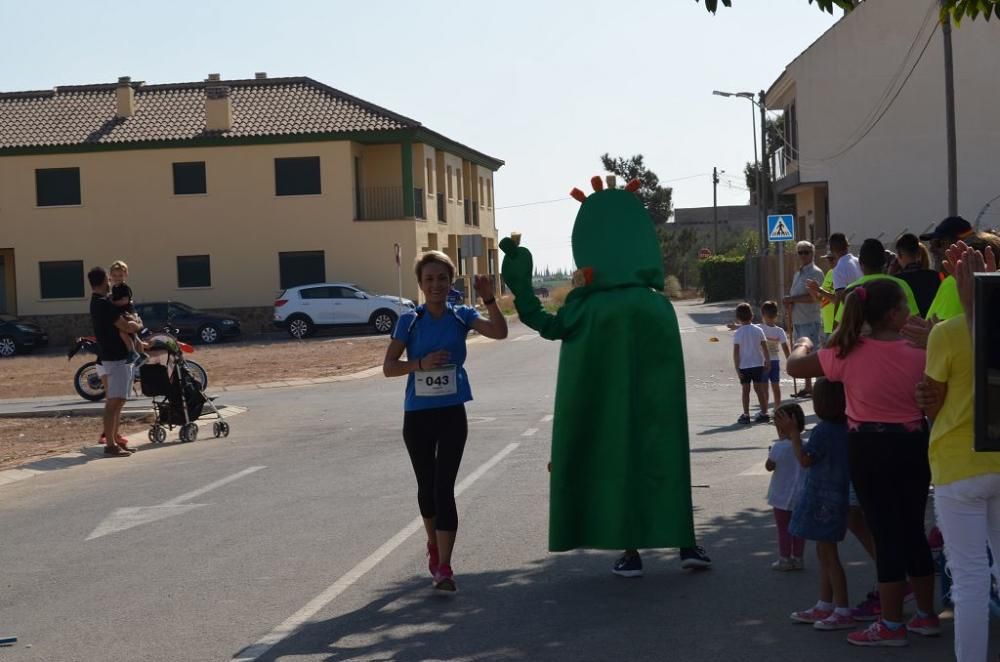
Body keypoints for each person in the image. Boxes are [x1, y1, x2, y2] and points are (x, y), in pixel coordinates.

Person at [499, 178, 711, 580]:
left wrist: (521, 287)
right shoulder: (657, 307)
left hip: (606, 413)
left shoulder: (586, 308)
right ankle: (684, 542)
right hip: (656, 410)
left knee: (616, 461)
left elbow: (545, 324)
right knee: (663, 457)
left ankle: (629, 550)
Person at [788, 278, 938, 647]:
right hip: (914, 442)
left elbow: (795, 368)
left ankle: (890, 625)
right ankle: (926, 615)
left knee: (886, 533)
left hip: (870, 447)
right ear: (892, 315)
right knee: (913, 530)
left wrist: (803, 342)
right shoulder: (922, 351)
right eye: (906, 306)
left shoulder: (846, 353)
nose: (911, 312)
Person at [382, 250, 508, 591]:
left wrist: (489, 299)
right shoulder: (410, 320)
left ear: (450, 281)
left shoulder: (461, 315)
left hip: (453, 412)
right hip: (418, 415)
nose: (435, 285)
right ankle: (433, 546)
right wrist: (419, 364)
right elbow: (388, 367)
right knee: (427, 488)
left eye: (441, 278)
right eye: (429, 279)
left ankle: (445, 567)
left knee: (444, 488)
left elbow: (499, 332)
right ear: (420, 285)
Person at [918, 241, 1000, 662]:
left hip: (958, 465)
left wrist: (970, 314)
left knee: (969, 583)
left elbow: (933, 402)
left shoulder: (945, 332)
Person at [788, 379, 854, 630]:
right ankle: (825, 604)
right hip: (837, 494)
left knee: (829, 554)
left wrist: (794, 436)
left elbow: (805, 460)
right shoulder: (846, 427)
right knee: (824, 551)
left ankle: (842, 608)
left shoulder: (824, 430)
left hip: (822, 497)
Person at [88, 266, 142, 457]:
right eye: (109, 280)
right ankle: (110, 445)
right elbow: (127, 327)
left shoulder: (98, 302)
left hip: (114, 358)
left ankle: (115, 440)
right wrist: (139, 324)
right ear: (104, 281)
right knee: (114, 402)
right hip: (115, 358)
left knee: (118, 402)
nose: (111, 282)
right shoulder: (104, 304)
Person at [833, 238, 920, 324]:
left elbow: (839, 325)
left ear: (860, 262)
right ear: (885, 262)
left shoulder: (851, 290)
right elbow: (916, 320)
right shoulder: (901, 285)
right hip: (896, 337)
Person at [765, 403, 806, 571]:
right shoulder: (806, 445)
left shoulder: (778, 447)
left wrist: (770, 454)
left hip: (781, 496)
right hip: (802, 495)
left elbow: (769, 466)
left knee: (783, 529)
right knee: (798, 530)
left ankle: (784, 558)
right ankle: (798, 558)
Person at [783, 241, 824, 397]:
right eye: (800, 252)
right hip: (799, 319)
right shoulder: (798, 273)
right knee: (804, 355)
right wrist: (790, 302)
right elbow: (796, 296)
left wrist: (793, 299)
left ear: (812, 253)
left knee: (814, 354)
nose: (803, 255)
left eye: (806, 252)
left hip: (810, 319)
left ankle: (820, 387)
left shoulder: (816, 272)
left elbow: (815, 298)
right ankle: (808, 387)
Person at [732, 302, 770, 424]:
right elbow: (765, 347)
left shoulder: (737, 333)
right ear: (752, 316)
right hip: (758, 364)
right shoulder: (758, 330)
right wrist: (767, 361)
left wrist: (737, 369)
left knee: (745, 391)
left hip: (744, 366)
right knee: (759, 390)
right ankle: (764, 413)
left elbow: (736, 353)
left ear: (738, 318)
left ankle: (746, 414)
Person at [109, 260, 148, 367]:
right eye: (115, 275)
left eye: (120, 275)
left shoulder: (125, 288)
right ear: (111, 275)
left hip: (128, 313)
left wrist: (112, 303)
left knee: (123, 332)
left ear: (126, 275)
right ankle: (142, 354)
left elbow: (125, 301)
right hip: (125, 312)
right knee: (133, 335)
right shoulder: (115, 288)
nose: (117, 278)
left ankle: (132, 352)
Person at [894, 234, 940, 318]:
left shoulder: (896, 282)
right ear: (919, 253)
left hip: (910, 327)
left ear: (899, 255)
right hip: (934, 324)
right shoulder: (935, 276)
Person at [760, 301, 790, 410]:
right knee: (776, 386)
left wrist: (736, 326)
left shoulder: (760, 328)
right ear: (776, 315)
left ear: (763, 315)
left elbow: (747, 327)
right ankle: (777, 408)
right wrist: (790, 361)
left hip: (763, 362)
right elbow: (785, 347)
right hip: (775, 361)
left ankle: (765, 410)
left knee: (764, 387)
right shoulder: (780, 331)